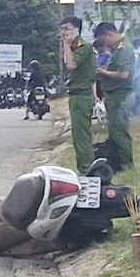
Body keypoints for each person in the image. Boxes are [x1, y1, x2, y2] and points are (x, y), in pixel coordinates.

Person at [94, 22, 135, 172]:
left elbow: (124, 75)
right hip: (113, 96)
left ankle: (127, 165)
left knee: (119, 131)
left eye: (103, 41)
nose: (103, 45)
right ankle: (117, 162)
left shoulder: (124, 51)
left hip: (121, 97)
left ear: (109, 35)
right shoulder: (116, 51)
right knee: (114, 131)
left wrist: (103, 73)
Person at [60, 16, 96, 174]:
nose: (64, 33)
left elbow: (71, 64)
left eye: (67, 29)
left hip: (81, 97)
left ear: (76, 29)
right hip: (77, 95)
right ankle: (84, 166)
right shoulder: (75, 47)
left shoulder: (83, 47)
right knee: (78, 135)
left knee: (82, 136)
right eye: (62, 29)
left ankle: (86, 168)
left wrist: (66, 45)